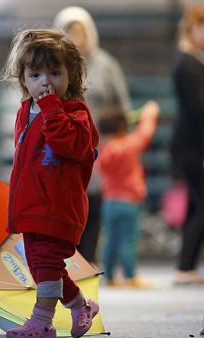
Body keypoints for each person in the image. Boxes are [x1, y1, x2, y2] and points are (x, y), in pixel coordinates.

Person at [0, 28, 100, 338]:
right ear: (23, 78)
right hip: (31, 204)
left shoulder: (76, 113)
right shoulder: (24, 112)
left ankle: (42, 321)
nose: (45, 82)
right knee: (44, 266)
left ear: (72, 75)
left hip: (58, 207)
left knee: (45, 261)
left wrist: (53, 109)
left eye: (55, 73)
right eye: (35, 74)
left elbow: (73, 145)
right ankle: (81, 306)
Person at [53, 6, 132, 266]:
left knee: (93, 204)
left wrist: (117, 139)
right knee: (67, 203)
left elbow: (122, 105)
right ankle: (66, 262)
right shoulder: (53, 65)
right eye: (70, 32)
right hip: (64, 143)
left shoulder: (107, 65)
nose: (77, 38)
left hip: (99, 145)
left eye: (81, 32)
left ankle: (88, 261)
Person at [169, 3, 204, 285]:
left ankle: (186, 265)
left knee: (197, 204)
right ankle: (185, 266)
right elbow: (199, 106)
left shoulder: (196, 58)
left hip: (197, 140)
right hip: (193, 143)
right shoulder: (188, 61)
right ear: (195, 27)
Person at [96, 101, 159, 288]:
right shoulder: (128, 145)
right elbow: (144, 134)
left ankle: (108, 277)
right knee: (128, 240)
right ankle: (130, 276)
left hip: (109, 203)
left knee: (110, 240)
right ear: (123, 127)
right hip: (129, 203)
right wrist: (149, 113)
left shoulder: (103, 149)